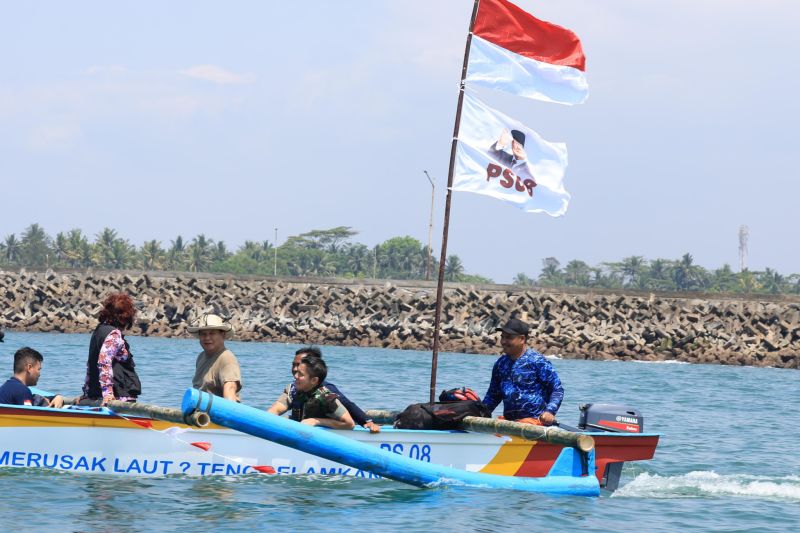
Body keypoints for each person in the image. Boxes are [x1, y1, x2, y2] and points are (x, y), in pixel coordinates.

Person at [482, 318, 564, 425]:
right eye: (502, 337)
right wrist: (479, 414)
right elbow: (492, 396)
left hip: (535, 424)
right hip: (510, 424)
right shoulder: (500, 364)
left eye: (509, 338)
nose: (503, 341)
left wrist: (550, 411)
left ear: (522, 339)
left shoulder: (537, 361)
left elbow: (557, 389)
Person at [292, 347, 380, 433]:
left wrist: (367, 421)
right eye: (294, 365)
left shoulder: (326, 390)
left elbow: (347, 404)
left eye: (299, 364)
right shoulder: (295, 387)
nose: (295, 369)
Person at [81, 292, 141, 404]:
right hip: (118, 396)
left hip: (96, 394)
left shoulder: (99, 330)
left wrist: (87, 392)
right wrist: (108, 393)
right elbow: (104, 362)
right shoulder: (114, 335)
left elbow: (91, 364)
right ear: (125, 317)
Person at [267, 354, 355, 430]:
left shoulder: (326, 397)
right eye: (297, 372)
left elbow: (349, 424)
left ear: (314, 380)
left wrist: (316, 421)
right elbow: (275, 410)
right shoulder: (293, 390)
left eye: (301, 374)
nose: (296, 376)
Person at [189, 313, 242, 401]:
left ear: (223, 335)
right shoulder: (201, 357)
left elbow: (230, 388)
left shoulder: (227, 358)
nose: (207, 338)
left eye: (212, 333)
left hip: (218, 413)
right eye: (203, 334)